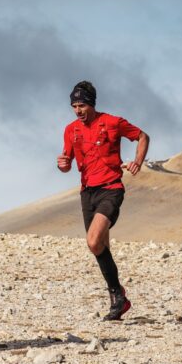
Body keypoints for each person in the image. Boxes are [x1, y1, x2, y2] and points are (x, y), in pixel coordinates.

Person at [57, 81, 149, 320]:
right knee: (99, 247)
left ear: (92, 104)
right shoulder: (70, 130)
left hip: (111, 188)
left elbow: (142, 136)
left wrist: (137, 161)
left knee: (94, 240)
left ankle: (117, 294)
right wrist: (62, 165)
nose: (78, 110)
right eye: (74, 106)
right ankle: (118, 298)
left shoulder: (112, 122)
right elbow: (66, 162)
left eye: (82, 105)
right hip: (87, 192)